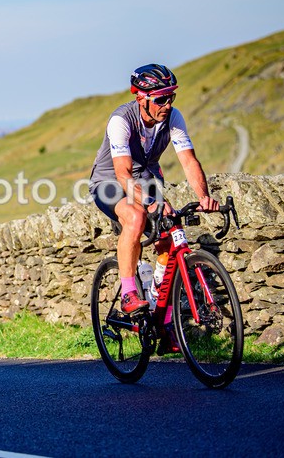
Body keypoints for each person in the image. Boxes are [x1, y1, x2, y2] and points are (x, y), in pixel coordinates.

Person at [89, 64, 219, 353]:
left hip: (147, 179)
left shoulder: (173, 117)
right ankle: (128, 292)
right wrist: (149, 201)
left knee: (171, 234)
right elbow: (123, 172)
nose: (168, 104)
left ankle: (164, 319)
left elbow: (188, 160)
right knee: (135, 218)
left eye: (171, 96)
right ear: (141, 98)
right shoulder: (121, 120)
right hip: (110, 182)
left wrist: (205, 197)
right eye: (161, 98)